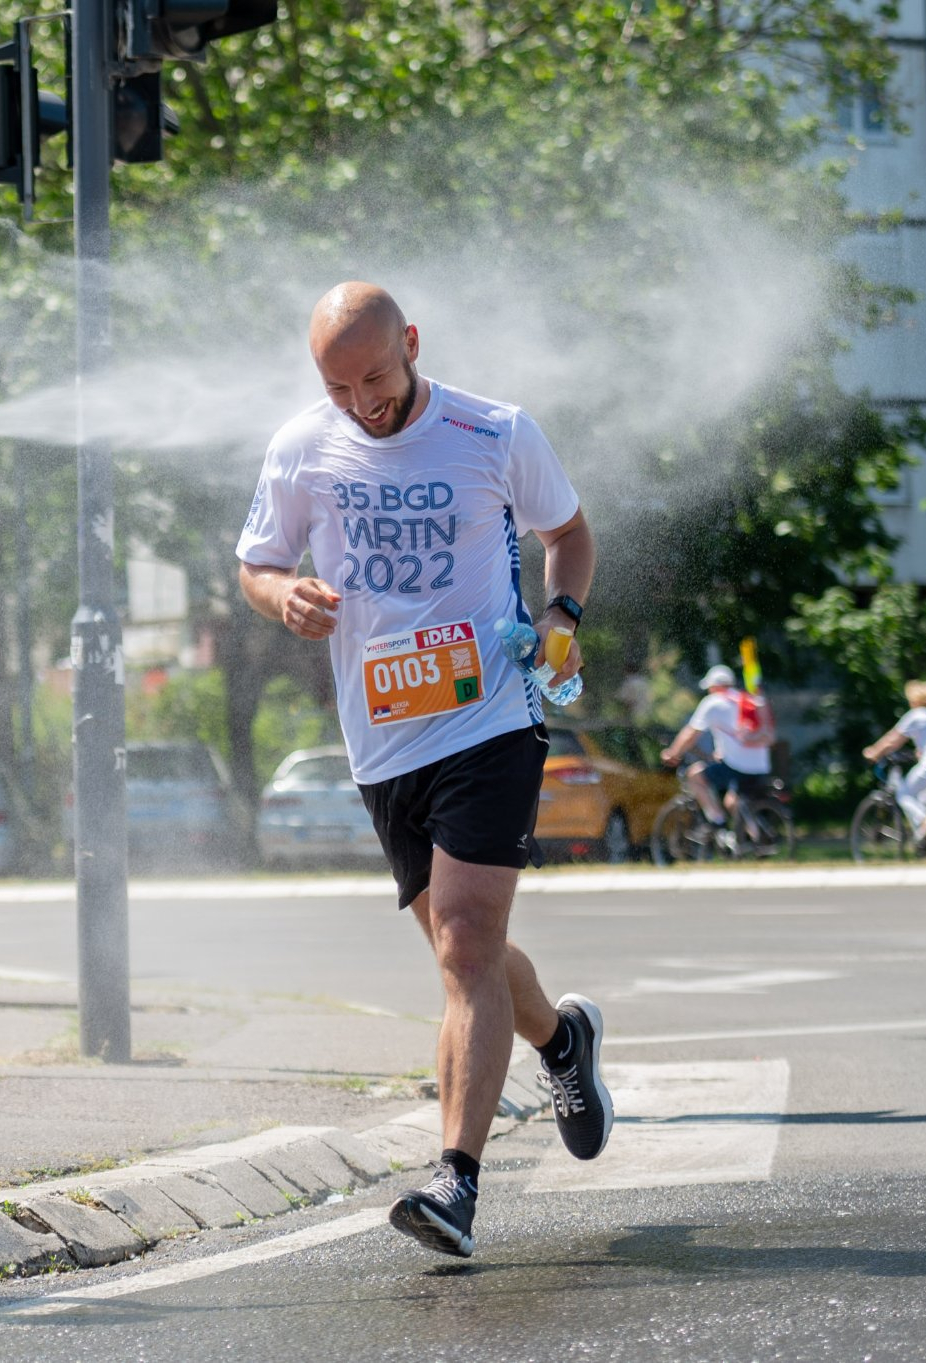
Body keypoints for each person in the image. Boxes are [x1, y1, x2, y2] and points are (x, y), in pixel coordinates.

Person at [235, 281, 612, 1259]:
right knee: (461, 957)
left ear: (410, 343)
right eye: (336, 387)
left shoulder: (494, 432)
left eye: (374, 377)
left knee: (467, 936)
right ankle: (558, 1040)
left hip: (491, 713)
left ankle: (455, 1180)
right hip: (382, 737)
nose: (361, 404)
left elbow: (565, 536)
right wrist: (281, 597)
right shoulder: (300, 448)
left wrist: (560, 617)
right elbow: (257, 560)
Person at [660, 664, 775, 832]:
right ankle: (756, 840)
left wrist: (673, 753)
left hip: (737, 766)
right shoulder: (747, 700)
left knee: (694, 776)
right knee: (732, 801)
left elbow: (690, 733)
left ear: (714, 686)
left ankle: (718, 823)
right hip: (761, 766)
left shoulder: (713, 702)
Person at [864, 680, 926, 846]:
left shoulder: (917, 715)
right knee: (925, 799)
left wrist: (873, 752)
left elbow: (892, 740)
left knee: (904, 793)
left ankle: (925, 820)